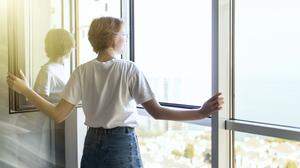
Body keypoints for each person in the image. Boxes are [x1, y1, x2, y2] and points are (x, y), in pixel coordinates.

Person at [7, 17, 224, 168]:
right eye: (123, 34)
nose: (126, 38)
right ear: (112, 39)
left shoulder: (82, 70)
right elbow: (157, 112)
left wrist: (26, 90)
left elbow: (58, 114)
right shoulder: (129, 68)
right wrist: (200, 112)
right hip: (121, 143)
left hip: (92, 143)